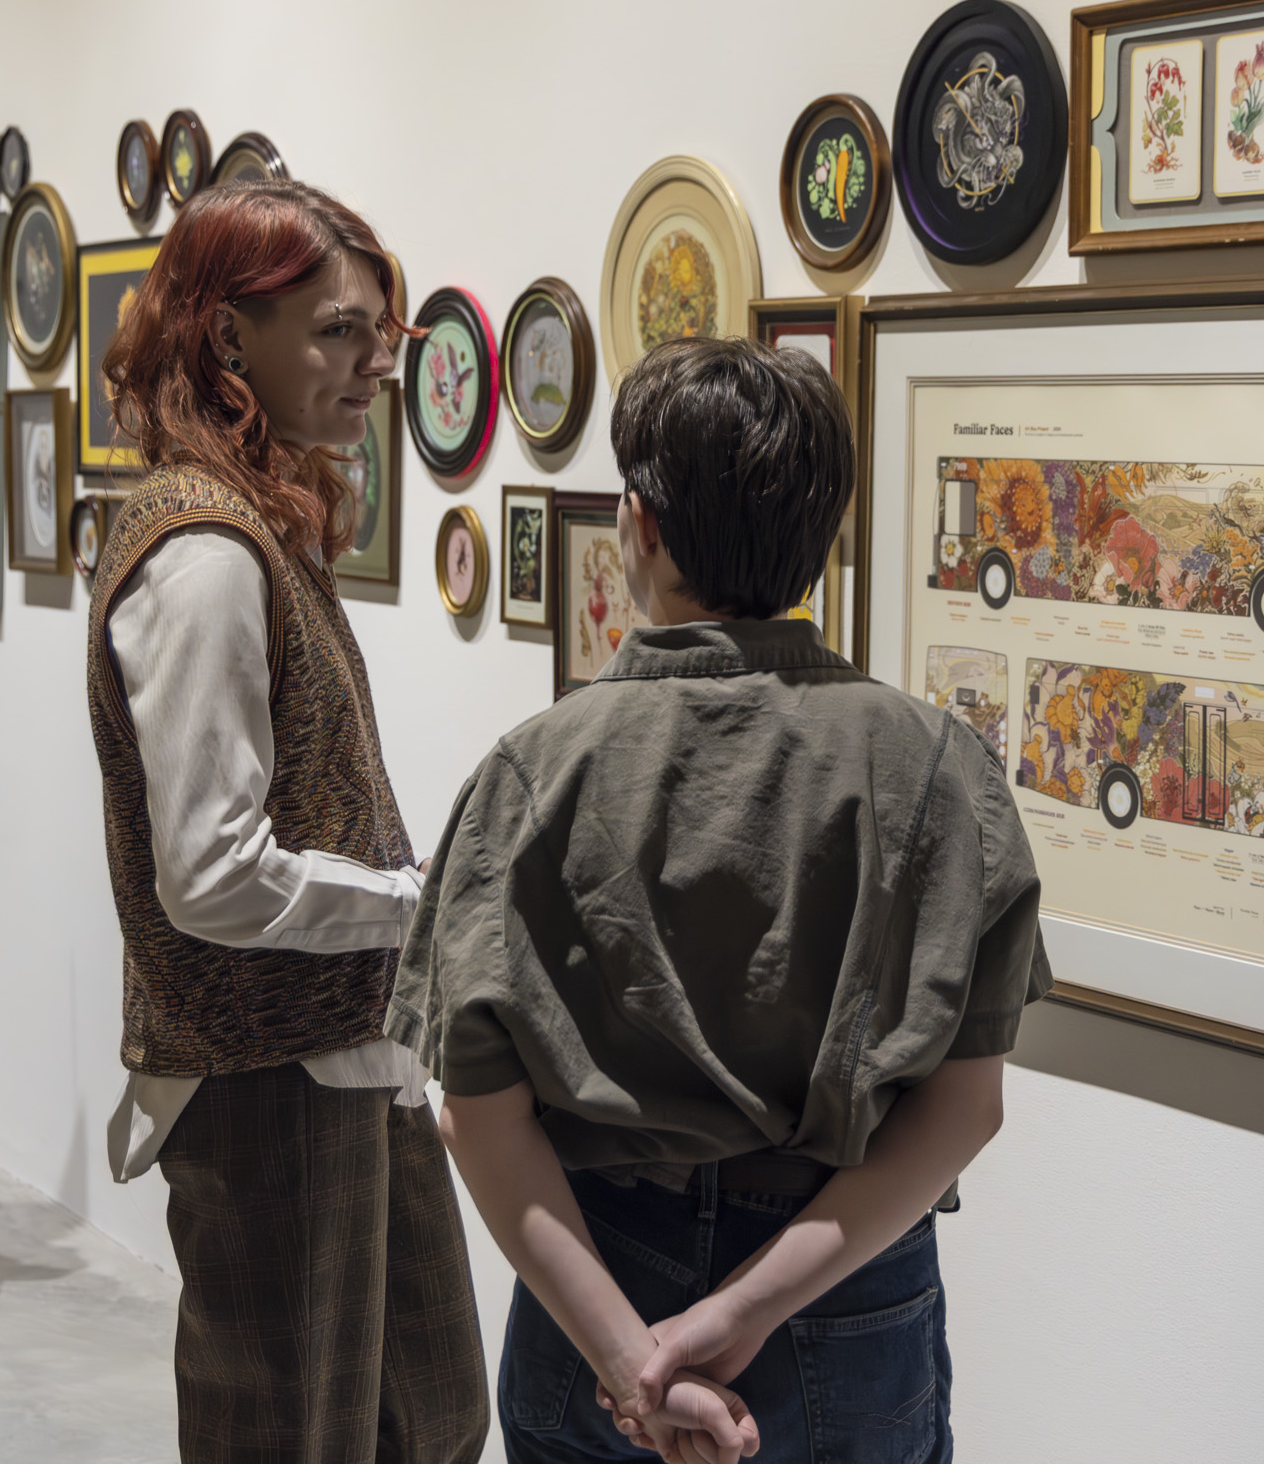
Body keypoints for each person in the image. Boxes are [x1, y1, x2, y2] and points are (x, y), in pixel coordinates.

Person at [389, 337, 1052, 1463]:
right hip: (843, 1293)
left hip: (596, 1282)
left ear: (640, 523)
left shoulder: (529, 775)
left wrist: (631, 1362)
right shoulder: (939, 770)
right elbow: (964, 1109)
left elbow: (479, 1116)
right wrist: (742, 1312)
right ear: (823, 534)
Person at [87, 180, 487, 1463]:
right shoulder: (204, 554)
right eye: (335, 330)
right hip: (265, 1081)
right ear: (225, 338)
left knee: (427, 1413)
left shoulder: (257, 525)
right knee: (287, 1432)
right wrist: (415, 905)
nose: (375, 364)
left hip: (339, 1053)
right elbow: (210, 873)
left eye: (379, 332)